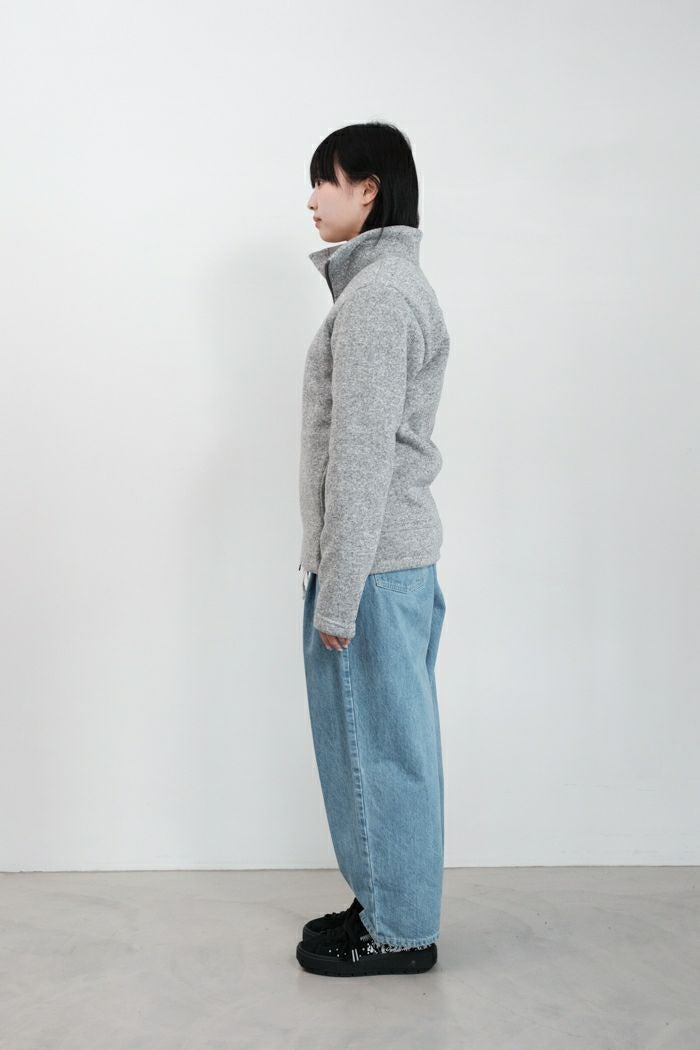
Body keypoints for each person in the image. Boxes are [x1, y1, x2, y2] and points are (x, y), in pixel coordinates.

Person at [296, 121, 449, 977]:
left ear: (369, 189)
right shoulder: (386, 288)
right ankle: (385, 899)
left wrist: (338, 593)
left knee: (380, 749)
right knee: (380, 744)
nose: (311, 198)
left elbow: (359, 458)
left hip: (372, 568)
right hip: (389, 564)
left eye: (325, 179)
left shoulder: (378, 298)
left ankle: (398, 931)